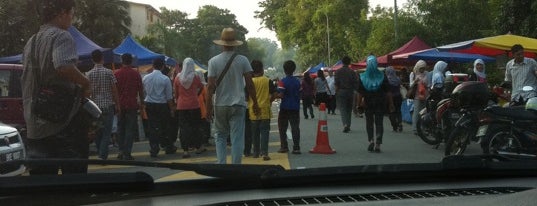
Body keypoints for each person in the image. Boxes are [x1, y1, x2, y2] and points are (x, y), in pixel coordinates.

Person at [21, 0, 92, 175]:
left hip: (35, 123)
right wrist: (86, 82)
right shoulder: (62, 36)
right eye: (72, 15)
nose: (71, 20)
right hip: (62, 122)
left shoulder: (32, 41)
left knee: (43, 184)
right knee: (74, 180)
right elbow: (63, 66)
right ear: (62, 13)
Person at [206, 27, 260, 164]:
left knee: (220, 136)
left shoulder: (213, 61)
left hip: (220, 104)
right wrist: (255, 104)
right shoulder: (243, 60)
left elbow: (210, 87)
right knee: (237, 137)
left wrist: (208, 108)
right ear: (235, 43)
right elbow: (250, 84)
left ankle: (221, 164)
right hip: (238, 104)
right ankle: (236, 166)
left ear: (222, 44)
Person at [356, 55, 394, 153]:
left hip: (368, 103)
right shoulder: (382, 75)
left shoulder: (363, 77)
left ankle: (371, 141)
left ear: (367, 64)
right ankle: (378, 144)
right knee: (379, 122)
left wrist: (359, 104)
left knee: (369, 122)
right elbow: (388, 92)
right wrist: (391, 104)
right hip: (380, 102)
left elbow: (360, 93)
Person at [87, 49, 120, 160]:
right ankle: (102, 155)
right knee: (107, 132)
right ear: (102, 58)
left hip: (94, 107)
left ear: (92, 60)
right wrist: (117, 105)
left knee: (97, 132)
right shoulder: (109, 72)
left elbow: (87, 92)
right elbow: (114, 90)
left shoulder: (88, 74)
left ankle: (100, 152)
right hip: (108, 106)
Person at [143, 58, 176, 158]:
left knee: (152, 127)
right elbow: (169, 97)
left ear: (153, 66)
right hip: (162, 105)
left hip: (149, 104)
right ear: (162, 66)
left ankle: (154, 148)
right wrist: (172, 109)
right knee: (165, 126)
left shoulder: (145, 78)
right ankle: (168, 146)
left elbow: (144, 92)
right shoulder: (165, 79)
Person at [115, 53, 144, 160]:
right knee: (130, 129)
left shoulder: (116, 74)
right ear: (131, 61)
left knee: (120, 128)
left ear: (121, 61)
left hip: (120, 105)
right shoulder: (136, 74)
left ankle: (121, 150)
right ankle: (127, 152)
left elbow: (114, 91)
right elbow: (140, 90)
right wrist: (142, 102)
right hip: (132, 105)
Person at [174, 58, 205, 158]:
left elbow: (176, 93)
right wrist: (196, 94)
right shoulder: (195, 77)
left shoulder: (178, 78)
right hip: (194, 105)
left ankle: (185, 150)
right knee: (195, 127)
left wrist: (178, 101)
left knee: (183, 128)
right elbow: (201, 87)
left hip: (181, 105)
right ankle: (198, 147)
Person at [249, 60, 277, 160]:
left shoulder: (250, 82)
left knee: (254, 133)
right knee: (264, 132)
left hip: (253, 111)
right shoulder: (267, 80)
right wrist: (269, 101)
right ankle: (264, 153)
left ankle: (255, 153)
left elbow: (246, 97)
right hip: (265, 111)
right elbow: (274, 94)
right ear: (262, 69)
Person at [277, 60, 302, 154]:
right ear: (294, 70)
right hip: (295, 107)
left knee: (282, 127)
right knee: (295, 127)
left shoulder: (282, 82)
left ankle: (284, 147)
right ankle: (296, 148)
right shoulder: (297, 82)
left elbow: (281, 95)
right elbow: (300, 94)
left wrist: (274, 96)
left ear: (284, 70)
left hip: (284, 107)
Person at [335, 56, 358, 133]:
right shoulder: (352, 72)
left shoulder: (338, 71)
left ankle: (345, 124)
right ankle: (348, 125)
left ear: (342, 62)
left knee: (343, 109)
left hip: (341, 91)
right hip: (350, 92)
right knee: (349, 109)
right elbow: (356, 83)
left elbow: (336, 83)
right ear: (349, 62)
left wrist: (336, 92)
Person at [410, 60, 428, 135]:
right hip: (417, 95)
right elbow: (410, 85)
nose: (422, 70)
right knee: (417, 112)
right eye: (421, 68)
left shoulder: (426, 73)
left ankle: (422, 128)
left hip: (425, 95)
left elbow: (428, 84)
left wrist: (425, 83)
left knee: (424, 112)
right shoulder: (413, 74)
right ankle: (415, 129)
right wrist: (415, 81)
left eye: (423, 68)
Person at [385, 66, 403, 132]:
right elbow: (400, 85)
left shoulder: (387, 80)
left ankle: (394, 126)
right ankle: (400, 124)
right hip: (398, 97)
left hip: (390, 98)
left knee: (391, 112)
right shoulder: (398, 79)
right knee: (398, 111)